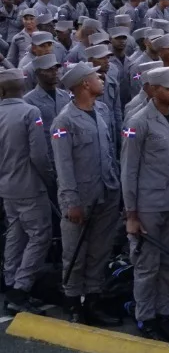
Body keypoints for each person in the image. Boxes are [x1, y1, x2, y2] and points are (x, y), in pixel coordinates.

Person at [51, 62, 122, 326]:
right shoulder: (64, 120)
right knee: (75, 253)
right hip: (80, 196)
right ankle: (72, 302)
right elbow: (63, 165)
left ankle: (93, 300)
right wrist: (71, 201)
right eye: (95, 76)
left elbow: (109, 153)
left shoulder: (101, 110)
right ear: (84, 84)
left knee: (100, 250)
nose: (101, 78)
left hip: (106, 191)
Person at [121, 66, 169, 344]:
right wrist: (131, 214)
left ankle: (164, 313)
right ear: (155, 89)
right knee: (147, 265)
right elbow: (128, 170)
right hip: (148, 204)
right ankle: (146, 317)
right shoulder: (139, 122)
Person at [0, 67, 55, 315]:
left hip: (7, 186)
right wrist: (50, 180)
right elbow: (39, 155)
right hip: (30, 185)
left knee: (16, 233)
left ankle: (10, 281)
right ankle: (21, 289)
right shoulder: (31, 112)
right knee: (40, 235)